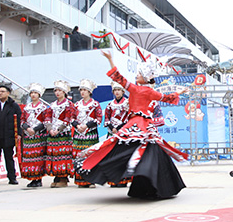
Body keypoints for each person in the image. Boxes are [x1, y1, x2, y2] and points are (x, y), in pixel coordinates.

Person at [75, 52, 190, 199]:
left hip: (136, 124)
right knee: (151, 152)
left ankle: (137, 183)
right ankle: (159, 186)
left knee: (120, 148)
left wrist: (110, 59)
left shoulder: (136, 89)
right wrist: (180, 91)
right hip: (145, 126)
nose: (136, 76)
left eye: (139, 74)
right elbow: (168, 98)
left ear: (146, 77)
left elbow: (118, 77)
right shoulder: (150, 91)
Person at [45, 80, 77, 188]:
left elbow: (69, 118)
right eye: (56, 91)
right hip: (53, 133)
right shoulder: (52, 105)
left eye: (60, 90)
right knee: (54, 156)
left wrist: (58, 129)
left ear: (64, 92)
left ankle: (63, 177)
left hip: (63, 133)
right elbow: (47, 117)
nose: (57, 93)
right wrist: (50, 129)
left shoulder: (69, 104)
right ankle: (56, 176)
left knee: (63, 155)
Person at [19, 83, 50, 188]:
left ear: (39, 95)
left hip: (38, 136)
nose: (33, 95)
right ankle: (32, 178)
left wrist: (35, 129)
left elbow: (46, 122)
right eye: (32, 93)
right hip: (28, 136)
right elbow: (22, 120)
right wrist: (27, 128)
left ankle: (38, 178)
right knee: (29, 158)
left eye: (35, 93)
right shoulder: (27, 107)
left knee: (38, 158)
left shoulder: (43, 108)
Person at [72, 79, 102, 188]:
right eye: (81, 90)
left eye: (85, 90)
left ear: (90, 92)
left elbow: (98, 119)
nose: (82, 92)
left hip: (90, 134)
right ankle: (80, 179)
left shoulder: (95, 104)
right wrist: (77, 125)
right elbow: (71, 118)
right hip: (79, 134)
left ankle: (90, 180)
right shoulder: (76, 105)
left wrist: (87, 126)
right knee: (79, 155)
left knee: (90, 155)